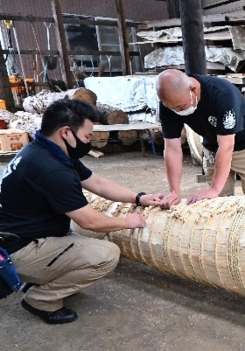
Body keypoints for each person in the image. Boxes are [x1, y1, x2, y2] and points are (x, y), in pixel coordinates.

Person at [0, 100, 163, 324]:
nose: (89, 141)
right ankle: (41, 299)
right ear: (66, 132)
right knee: (106, 255)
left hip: (24, 234)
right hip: (15, 251)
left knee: (96, 234)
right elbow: (89, 221)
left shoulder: (48, 150)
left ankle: (44, 274)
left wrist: (139, 197)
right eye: (87, 137)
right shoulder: (49, 168)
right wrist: (128, 221)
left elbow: (96, 182)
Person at [155, 69, 245, 207]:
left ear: (193, 90)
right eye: (173, 109)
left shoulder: (223, 93)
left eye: (181, 106)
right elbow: (172, 148)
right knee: (217, 204)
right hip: (212, 144)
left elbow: (226, 146)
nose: (177, 111)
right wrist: (174, 191)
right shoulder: (170, 103)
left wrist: (214, 189)